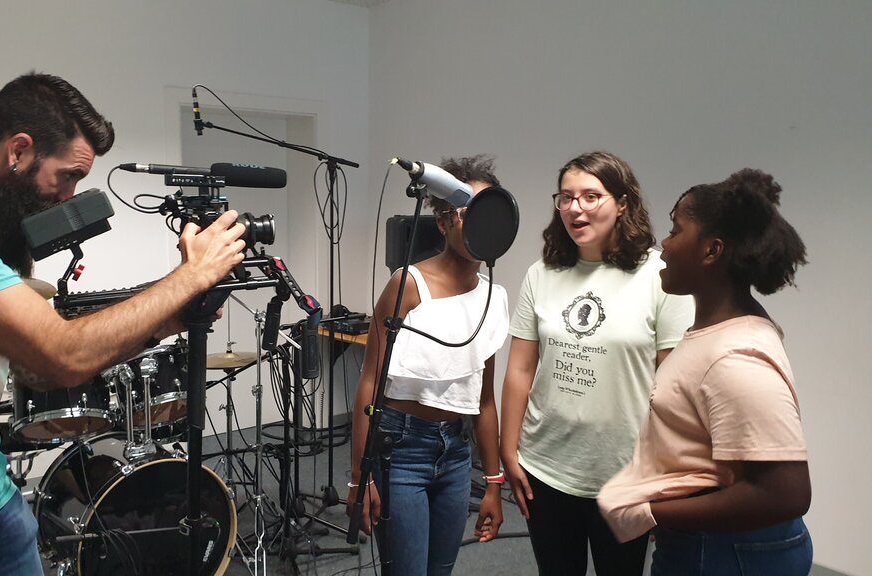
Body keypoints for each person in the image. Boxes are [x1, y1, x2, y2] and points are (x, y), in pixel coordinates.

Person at [0, 72, 247, 575]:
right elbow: (64, 354)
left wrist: (168, 320)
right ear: (18, 151)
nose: (69, 196)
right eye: (67, 176)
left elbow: (37, 372)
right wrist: (191, 275)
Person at [598, 168, 812, 575]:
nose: (663, 244)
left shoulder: (734, 357)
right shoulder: (717, 333)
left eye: (675, 230)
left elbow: (785, 494)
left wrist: (651, 512)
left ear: (711, 251)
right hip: (711, 543)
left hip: (726, 553)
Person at [499, 150, 694, 575]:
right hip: (545, 466)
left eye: (591, 196)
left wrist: (666, 475)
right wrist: (508, 451)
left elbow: (674, 388)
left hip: (625, 473)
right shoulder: (541, 273)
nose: (576, 208)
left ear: (622, 203)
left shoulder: (659, 274)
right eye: (566, 197)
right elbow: (519, 370)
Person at [346, 155, 509, 575]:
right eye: (467, 210)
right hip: (401, 450)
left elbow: (484, 399)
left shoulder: (494, 297)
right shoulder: (407, 285)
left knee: (440, 569)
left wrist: (493, 483)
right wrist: (359, 477)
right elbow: (370, 383)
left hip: (456, 452)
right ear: (443, 222)